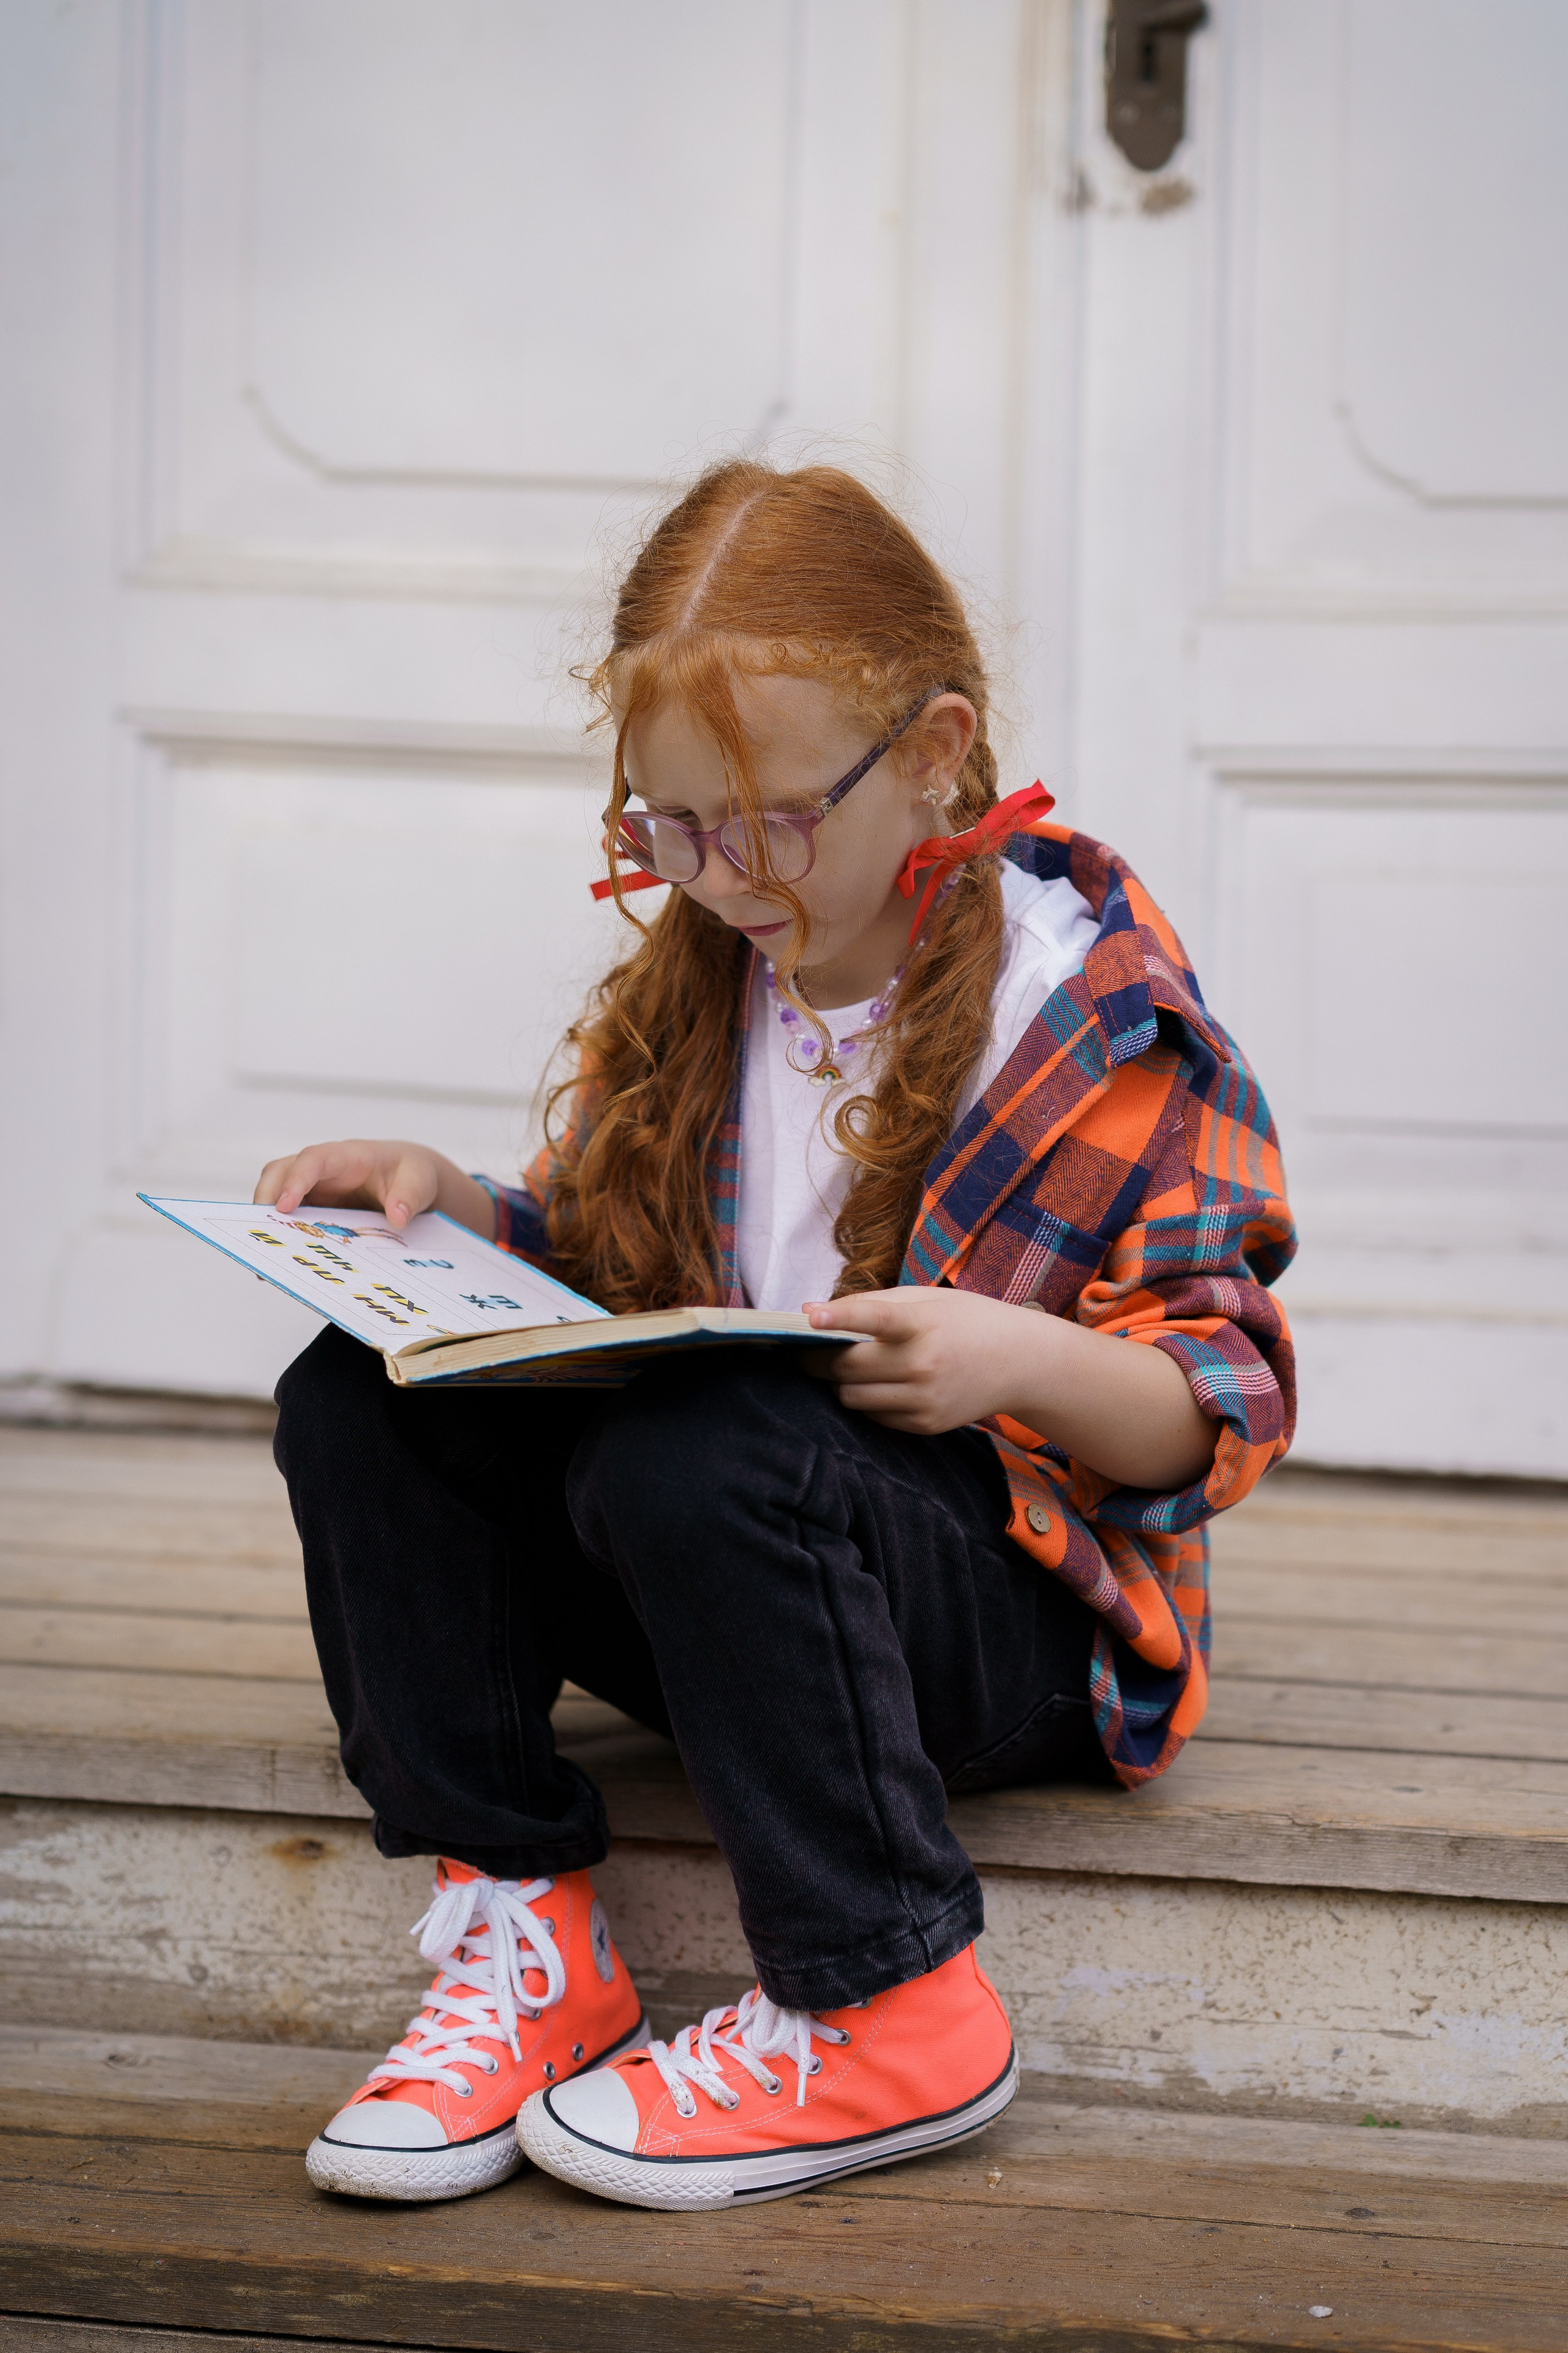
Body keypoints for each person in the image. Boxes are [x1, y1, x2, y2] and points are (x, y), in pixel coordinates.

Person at [262, 461, 1295, 2212]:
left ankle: (892, 2002)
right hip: (725, 1569)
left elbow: (1220, 1402)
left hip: (1003, 1620)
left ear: (939, 748)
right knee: (361, 1391)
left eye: (768, 821)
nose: (719, 875)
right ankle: (527, 1933)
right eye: (668, 828)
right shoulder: (714, 969)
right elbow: (603, 1269)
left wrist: (1007, 1358)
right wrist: (454, 1215)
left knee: (714, 1444)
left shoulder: (1093, 1015)